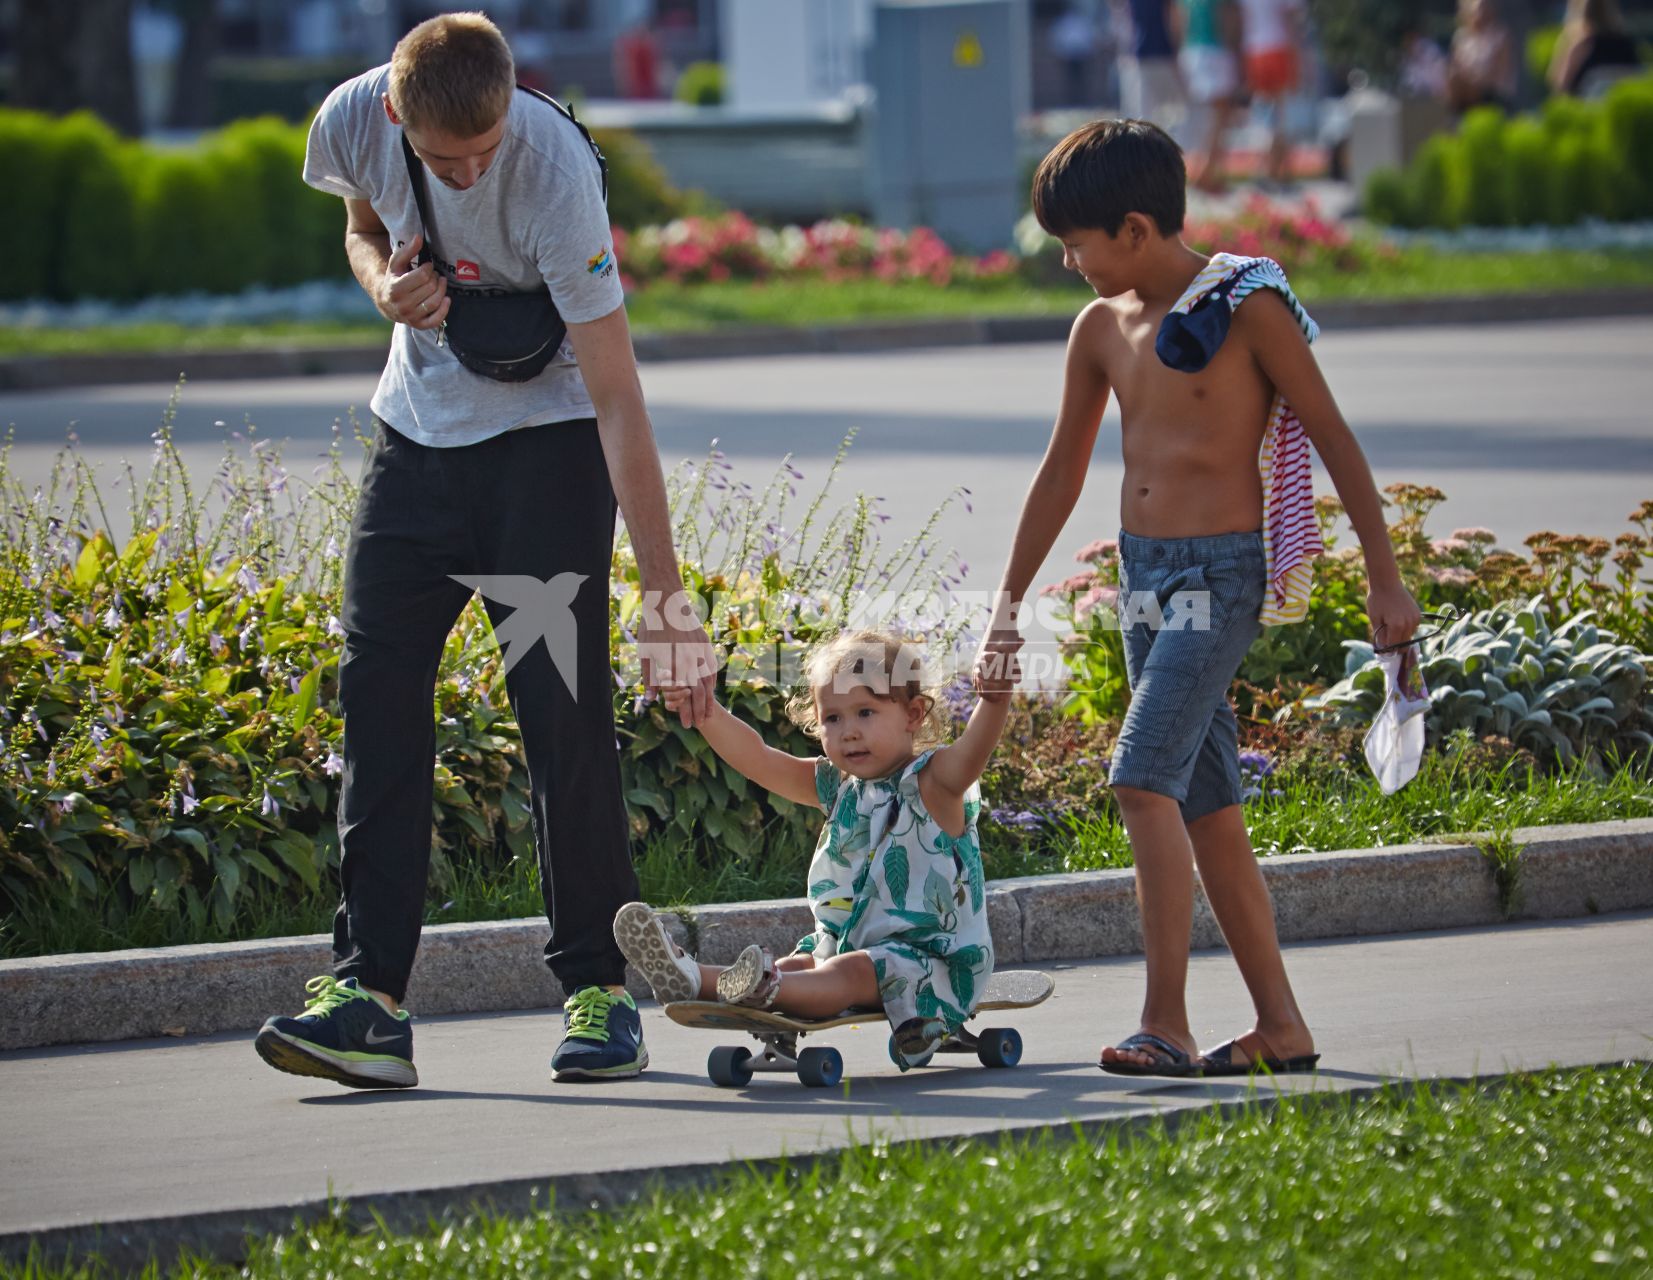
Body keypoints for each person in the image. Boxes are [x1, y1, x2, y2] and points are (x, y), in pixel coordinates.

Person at [253, 13, 716, 1089]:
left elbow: (615, 395)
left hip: (546, 457)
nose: (466, 171)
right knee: (376, 701)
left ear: (513, 105)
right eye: (441, 156)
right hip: (415, 448)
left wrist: (665, 593)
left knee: (561, 713)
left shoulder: (554, 171)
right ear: (394, 114)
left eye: (484, 148)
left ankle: (599, 992)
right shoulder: (351, 123)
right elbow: (364, 227)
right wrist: (383, 285)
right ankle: (367, 996)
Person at [976, 120, 1421, 1077]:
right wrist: (1007, 606)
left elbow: (1334, 437)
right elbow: (1060, 472)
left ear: (1134, 228)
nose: (1067, 261)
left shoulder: (1245, 306)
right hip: (1145, 576)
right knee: (1208, 805)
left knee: (1141, 780)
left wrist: (1385, 576)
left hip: (1220, 575)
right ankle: (1281, 1027)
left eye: (1076, 243)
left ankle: (1163, 1023)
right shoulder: (1098, 330)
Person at [613, 629, 1011, 1068]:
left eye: (865, 712)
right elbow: (759, 758)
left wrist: (995, 699)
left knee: (843, 972)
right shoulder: (841, 786)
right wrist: (706, 712)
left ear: (913, 714)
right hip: (844, 943)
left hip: (931, 962)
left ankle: (765, 988)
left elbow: (974, 752)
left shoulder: (934, 785)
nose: (848, 733)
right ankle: (689, 975)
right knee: (800, 964)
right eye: (833, 719)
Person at [1174, 0, 1243, 191]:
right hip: (1214, 51)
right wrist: (1234, 51)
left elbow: (1179, 22)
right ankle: (1206, 172)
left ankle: (1204, 170)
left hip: (1191, 51)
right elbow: (1227, 19)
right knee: (1220, 117)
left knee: (1203, 118)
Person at [1236, 0, 1305, 184]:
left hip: (1253, 49)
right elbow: (1291, 20)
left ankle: (1269, 166)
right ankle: (1279, 168)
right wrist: (1297, 57)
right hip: (1279, 47)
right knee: (1281, 113)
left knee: (1263, 111)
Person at [1548, 0, 1641, 98]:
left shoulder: (1583, 45)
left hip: (1588, 108)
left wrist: (1563, 44)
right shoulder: (1627, 44)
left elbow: (1560, 84)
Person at [1118, 0, 1187, 131]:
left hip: (1146, 54)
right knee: (1178, 110)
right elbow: (1174, 19)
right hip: (1160, 55)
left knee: (1145, 114)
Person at [1449, 0, 1517, 113]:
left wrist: (1474, 81)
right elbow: (1456, 66)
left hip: (1493, 93)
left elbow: (1497, 72)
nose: (1480, 13)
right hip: (1466, 91)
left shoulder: (1500, 36)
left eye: (1483, 8)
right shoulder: (1461, 37)